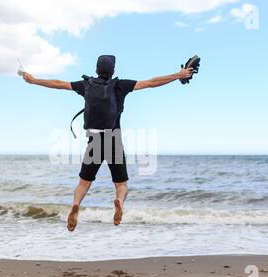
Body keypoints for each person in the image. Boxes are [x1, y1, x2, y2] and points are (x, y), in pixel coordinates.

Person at [22, 55, 194, 232]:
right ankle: (119, 202)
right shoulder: (121, 86)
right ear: (113, 71)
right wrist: (177, 75)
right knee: (121, 185)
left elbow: (58, 83)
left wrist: (34, 80)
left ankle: (75, 204)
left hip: (94, 140)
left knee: (83, 183)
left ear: (96, 70)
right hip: (113, 139)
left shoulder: (86, 85)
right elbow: (151, 82)